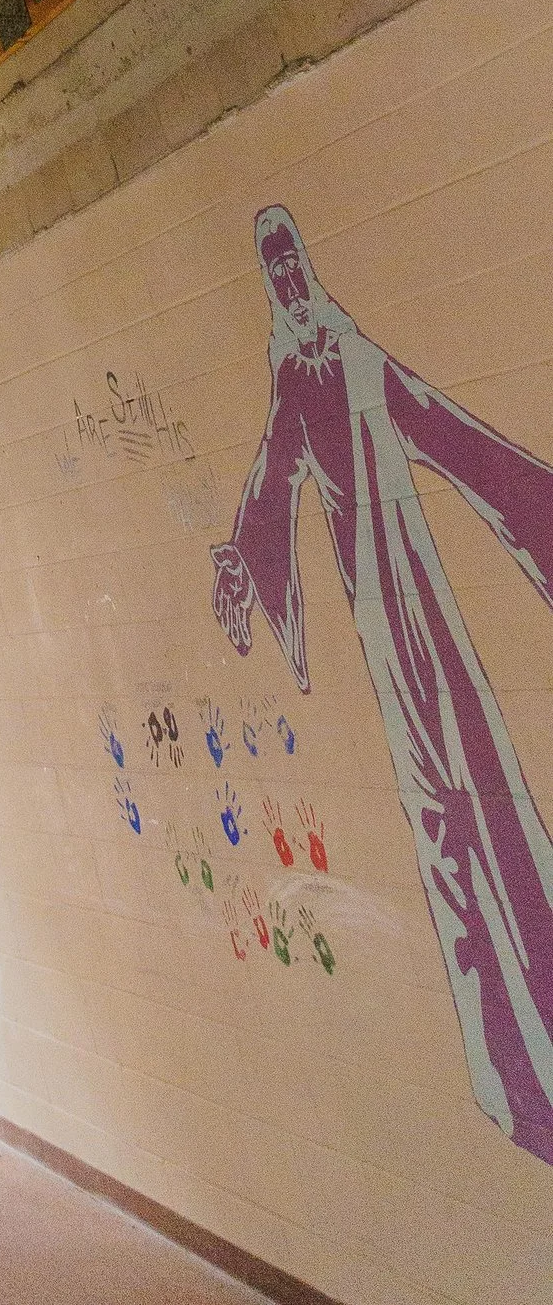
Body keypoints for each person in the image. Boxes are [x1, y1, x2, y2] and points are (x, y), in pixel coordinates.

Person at [214, 205, 553, 1164]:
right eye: (274, 268)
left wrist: (538, 505)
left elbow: (453, 437)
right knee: (440, 817)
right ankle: (508, 1069)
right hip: (382, 627)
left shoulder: (354, 358)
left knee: (484, 788)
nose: (288, 280)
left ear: (308, 268)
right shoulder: (294, 383)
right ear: (268, 285)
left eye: (294, 260)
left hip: (424, 607)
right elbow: (268, 487)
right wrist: (240, 565)